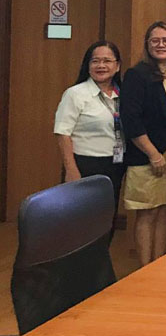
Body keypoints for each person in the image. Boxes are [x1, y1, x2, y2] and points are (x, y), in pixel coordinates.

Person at [120, 21, 166, 266]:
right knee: (148, 212)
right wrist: (152, 153)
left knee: (165, 212)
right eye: (155, 41)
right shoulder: (137, 75)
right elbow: (131, 119)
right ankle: (143, 269)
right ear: (147, 45)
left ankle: (157, 266)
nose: (161, 45)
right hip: (150, 156)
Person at [54, 40, 125, 213]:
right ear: (88, 65)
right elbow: (62, 133)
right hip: (86, 164)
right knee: (83, 220)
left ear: (117, 66)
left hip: (116, 164)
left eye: (107, 61)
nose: (101, 65)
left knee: (108, 218)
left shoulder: (123, 94)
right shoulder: (75, 94)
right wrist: (71, 170)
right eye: (95, 61)